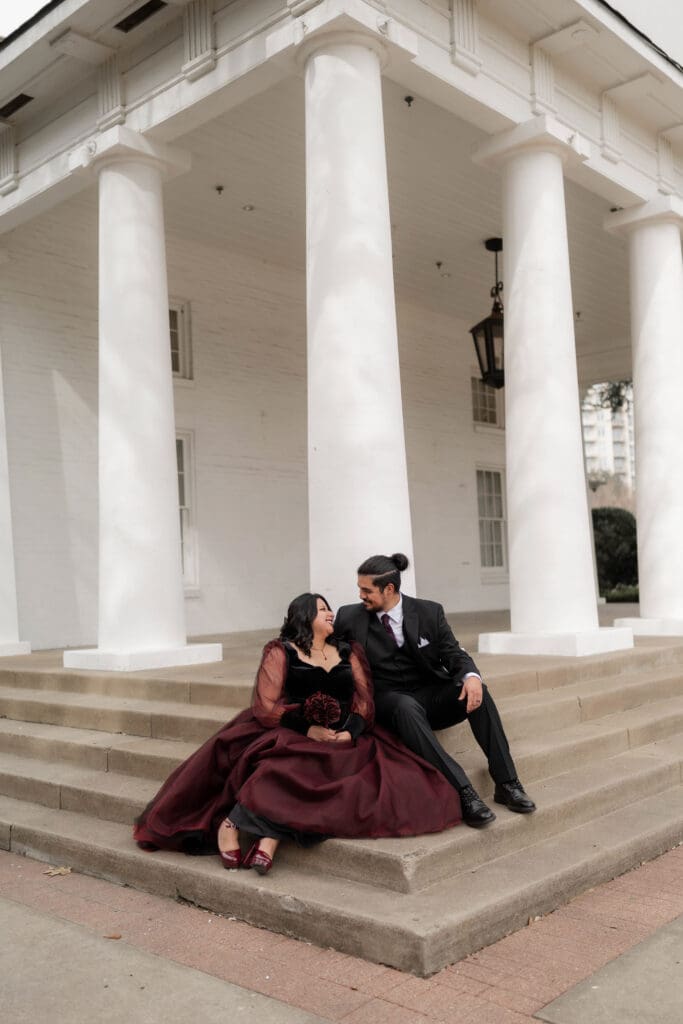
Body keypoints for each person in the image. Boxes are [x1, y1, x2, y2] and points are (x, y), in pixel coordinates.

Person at [134, 592, 463, 874]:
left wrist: (350, 731)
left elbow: (364, 701)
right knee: (287, 763)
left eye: (329, 609)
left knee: (348, 770)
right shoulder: (281, 650)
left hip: (342, 733)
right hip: (292, 725)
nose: (331, 614)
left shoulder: (349, 651)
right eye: (323, 610)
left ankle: (267, 837)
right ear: (306, 616)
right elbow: (266, 705)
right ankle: (234, 826)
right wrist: (308, 727)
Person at [335, 554, 536, 828]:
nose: (361, 595)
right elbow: (330, 651)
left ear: (389, 589)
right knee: (405, 706)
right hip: (387, 700)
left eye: (367, 590)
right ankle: (463, 793)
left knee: (479, 691)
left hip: (429, 694)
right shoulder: (349, 617)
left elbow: (453, 653)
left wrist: (471, 676)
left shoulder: (429, 612)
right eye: (360, 589)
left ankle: (507, 783)